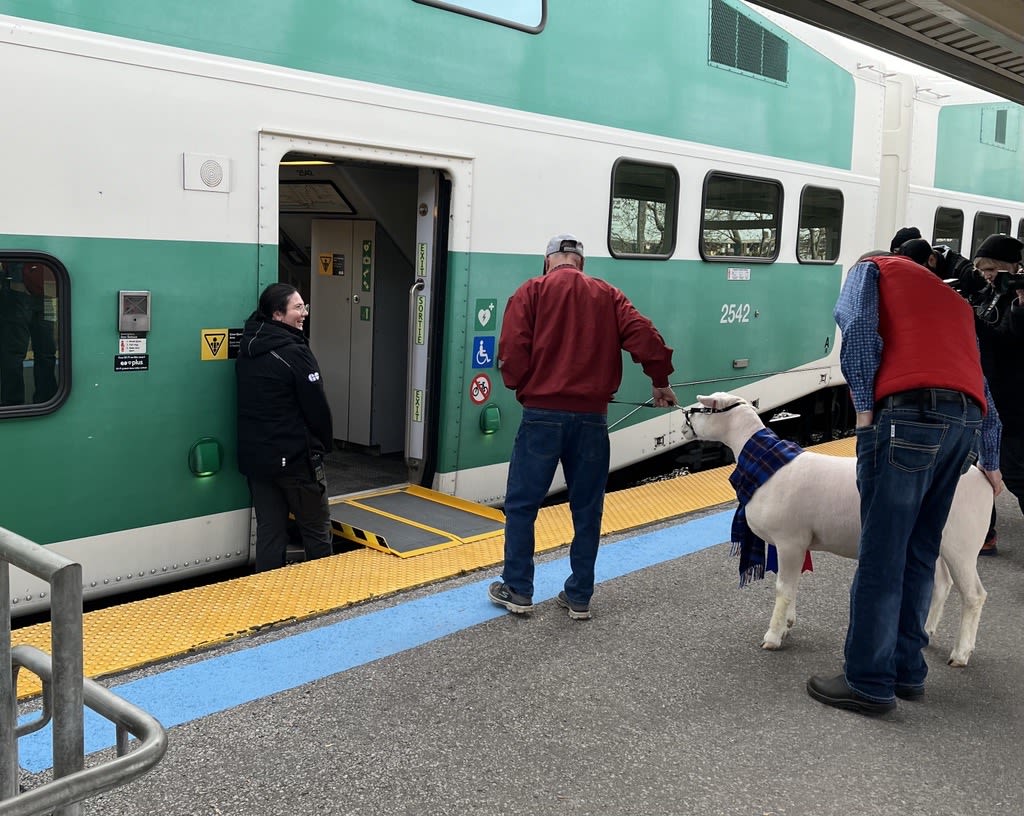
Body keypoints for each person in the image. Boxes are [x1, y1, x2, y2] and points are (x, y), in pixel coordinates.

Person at [807, 250, 1002, 715]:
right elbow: (980, 380)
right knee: (920, 548)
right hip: (964, 422)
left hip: (907, 415)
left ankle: (868, 682)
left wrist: (863, 410)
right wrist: (991, 459)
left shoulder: (871, 269)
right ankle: (906, 671)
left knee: (882, 550)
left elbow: (857, 331)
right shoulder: (952, 301)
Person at [488, 234, 677, 620]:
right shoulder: (607, 294)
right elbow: (646, 337)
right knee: (587, 509)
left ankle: (518, 590)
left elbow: (510, 351)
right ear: (581, 263)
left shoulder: (530, 292)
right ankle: (578, 597)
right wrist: (659, 380)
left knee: (523, 506)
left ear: (548, 261)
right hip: (592, 420)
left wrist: (526, 386)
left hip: (541, 417)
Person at [236, 283, 334, 572]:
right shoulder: (294, 352)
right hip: (295, 460)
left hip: (257, 460)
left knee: (270, 533)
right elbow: (317, 408)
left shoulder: (247, 349)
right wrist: (324, 446)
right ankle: (324, 597)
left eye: (305, 306)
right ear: (278, 315)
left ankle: (269, 596)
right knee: (316, 531)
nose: (304, 314)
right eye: (298, 308)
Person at [936, 234, 1024, 555]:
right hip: (988, 394)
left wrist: (968, 317)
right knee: (980, 466)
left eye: (989, 268)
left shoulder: (1012, 296)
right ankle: (985, 533)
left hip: (1012, 401)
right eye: (982, 268)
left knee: (1014, 472)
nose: (984, 274)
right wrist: (945, 256)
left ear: (1006, 267)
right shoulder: (992, 290)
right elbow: (969, 275)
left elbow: (1005, 340)